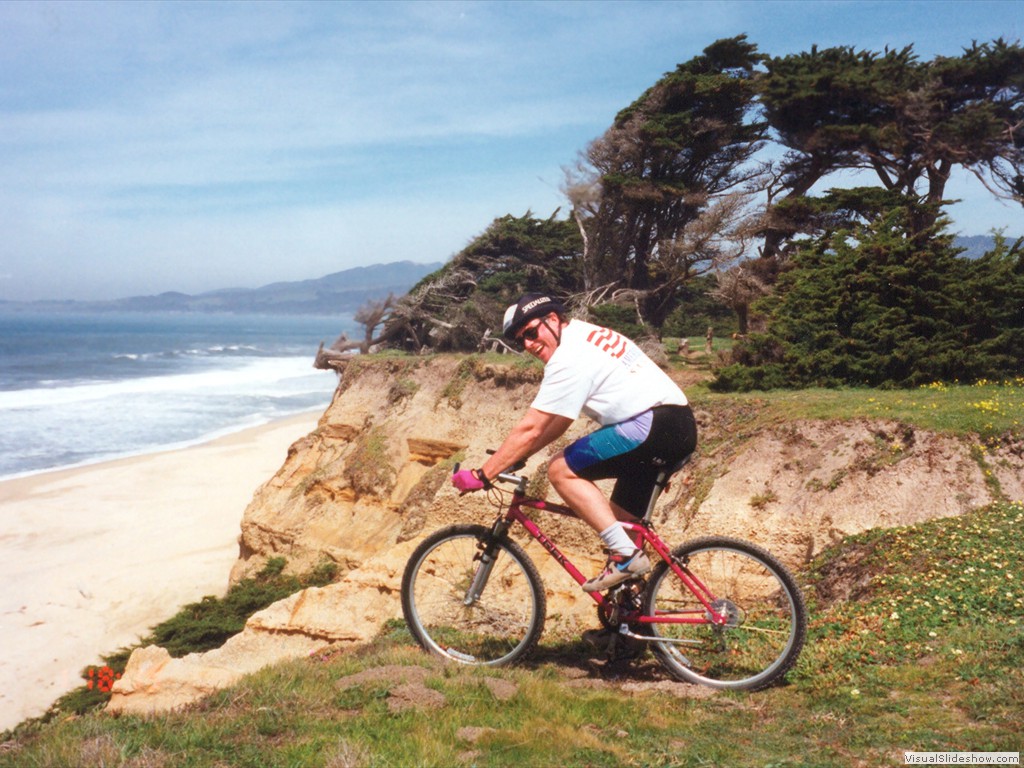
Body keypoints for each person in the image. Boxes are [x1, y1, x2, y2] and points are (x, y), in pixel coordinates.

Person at [452, 293, 697, 593]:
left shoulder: (568, 358)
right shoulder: (585, 333)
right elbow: (559, 422)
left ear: (553, 319)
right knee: (621, 526)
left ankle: (626, 556)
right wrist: (518, 456)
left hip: (651, 427)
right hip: (674, 426)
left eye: (531, 333)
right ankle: (628, 629)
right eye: (521, 341)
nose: (528, 344)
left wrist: (482, 474)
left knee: (560, 469)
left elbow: (531, 428)